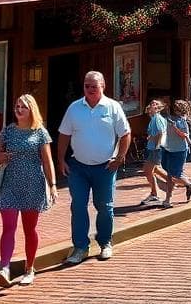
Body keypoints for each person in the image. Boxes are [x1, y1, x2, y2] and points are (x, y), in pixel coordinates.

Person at [57, 70, 131, 264]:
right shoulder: (74, 108)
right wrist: (61, 160)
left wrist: (120, 157)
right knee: (78, 206)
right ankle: (80, 247)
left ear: (103, 86)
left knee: (105, 207)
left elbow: (125, 134)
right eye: (87, 86)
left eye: (94, 86)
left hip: (105, 168)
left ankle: (105, 242)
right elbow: (64, 135)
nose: (90, 89)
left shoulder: (113, 107)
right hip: (78, 167)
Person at [0, 93, 57, 288]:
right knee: (9, 227)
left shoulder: (40, 133)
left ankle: (29, 268)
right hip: (10, 184)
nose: (19, 110)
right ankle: (5, 267)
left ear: (31, 110)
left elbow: (47, 161)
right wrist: (0, 157)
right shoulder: (8, 131)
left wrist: (52, 185)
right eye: (17, 106)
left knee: (30, 229)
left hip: (32, 185)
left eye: (23, 107)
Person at [161, 100, 191, 207]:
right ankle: (167, 200)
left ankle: (189, 185)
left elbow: (183, 135)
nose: (175, 110)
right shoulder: (168, 119)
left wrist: (174, 127)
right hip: (168, 149)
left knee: (174, 174)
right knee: (169, 175)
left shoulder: (182, 121)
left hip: (179, 150)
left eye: (177, 108)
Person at [140, 100, 167, 206]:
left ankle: (155, 194)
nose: (152, 106)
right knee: (153, 170)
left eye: (155, 105)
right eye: (151, 104)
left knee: (147, 171)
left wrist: (157, 146)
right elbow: (156, 133)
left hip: (155, 149)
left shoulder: (157, 118)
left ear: (159, 108)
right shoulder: (153, 118)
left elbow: (161, 133)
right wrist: (151, 137)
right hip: (152, 148)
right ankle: (174, 182)